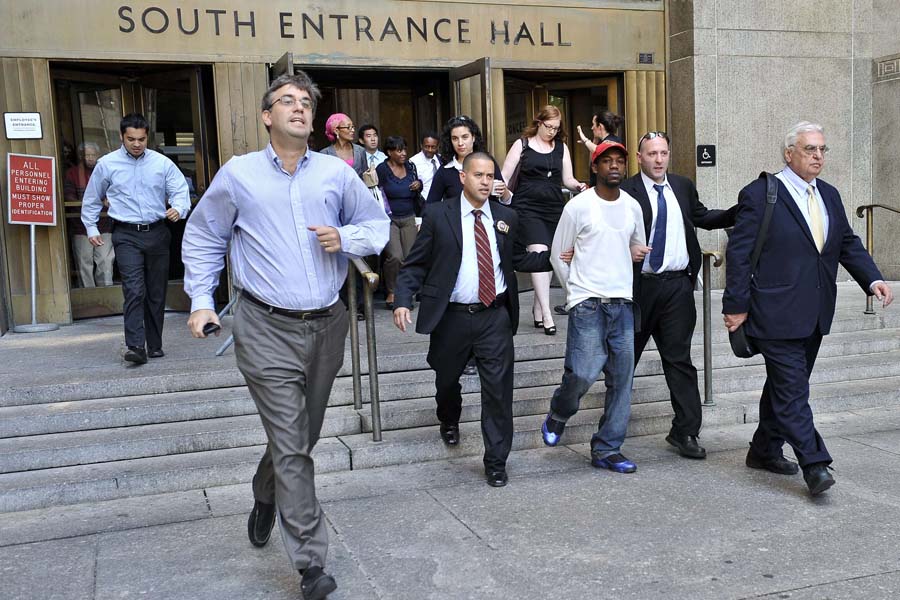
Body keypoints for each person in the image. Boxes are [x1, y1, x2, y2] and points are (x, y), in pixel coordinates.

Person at [182, 71, 389, 599]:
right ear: (267, 116)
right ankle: (311, 565)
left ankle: (264, 489)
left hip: (326, 325)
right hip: (263, 326)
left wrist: (343, 236)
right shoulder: (239, 175)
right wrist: (203, 302)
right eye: (287, 101)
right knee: (294, 445)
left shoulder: (336, 175)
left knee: (302, 437)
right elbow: (205, 236)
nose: (298, 108)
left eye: (305, 102)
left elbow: (377, 226)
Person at [723, 121, 893, 496]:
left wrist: (873, 279)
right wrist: (735, 306)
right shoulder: (761, 193)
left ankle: (764, 450)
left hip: (815, 312)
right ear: (789, 153)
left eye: (822, 150)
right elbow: (739, 255)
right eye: (809, 149)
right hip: (774, 311)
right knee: (793, 391)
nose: (818, 156)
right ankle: (815, 464)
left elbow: (846, 242)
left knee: (785, 389)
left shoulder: (829, 195)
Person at [393, 152, 551, 487]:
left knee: (498, 391)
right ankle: (448, 418)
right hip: (452, 317)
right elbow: (416, 264)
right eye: (478, 175)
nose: (484, 181)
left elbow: (519, 258)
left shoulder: (507, 217)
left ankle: (496, 460)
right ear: (463, 177)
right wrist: (403, 301)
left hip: (493, 316)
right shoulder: (439, 214)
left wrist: (558, 256)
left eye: (489, 176)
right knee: (447, 379)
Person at [615, 131, 736, 459]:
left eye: (663, 153)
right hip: (638, 290)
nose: (658, 159)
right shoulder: (625, 192)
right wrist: (627, 248)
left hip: (677, 289)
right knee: (624, 362)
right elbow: (610, 238)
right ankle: (609, 434)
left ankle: (686, 431)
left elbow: (703, 217)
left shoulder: (682, 186)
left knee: (680, 361)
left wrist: (739, 212)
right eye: (651, 154)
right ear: (639, 158)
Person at [541, 141, 649, 473]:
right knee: (584, 373)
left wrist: (634, 255)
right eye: (607, 161)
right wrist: (576, 293)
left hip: (622, 305)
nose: (614, 165)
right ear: (595, 167)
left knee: (622, 380)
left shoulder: (632, 206)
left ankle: (607, 448)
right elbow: (559, 253)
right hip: (588, 304)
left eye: (619, 161)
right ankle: (559, 412)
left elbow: (637, 247)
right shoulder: (578, 206)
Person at [81, 113, 190, 365]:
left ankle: (154, 345)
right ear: (121, 137)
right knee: (134, 290)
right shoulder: (107, 164)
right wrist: (91, 227)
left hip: (158, 232)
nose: (137, 144)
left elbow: (180, 190)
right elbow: (92, 198)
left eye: (141, 139)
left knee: (155, 291)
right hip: (126, 234)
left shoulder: (162, 164)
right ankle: (135, 346)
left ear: (147, 137)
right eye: (131, 139)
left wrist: (179, 207)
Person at [501, 105, 585, 336]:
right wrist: (499, 194)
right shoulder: (522, 144)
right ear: (539, 122)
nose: (552, 132)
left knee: (549, 257)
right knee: (538, 250)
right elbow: (505, 176)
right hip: (526, 206)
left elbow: (567, 178)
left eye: (556, 129)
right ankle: (547, 314)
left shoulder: (561, 147)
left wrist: (578, 185)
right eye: (549, 127)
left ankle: (538, 308)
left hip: (553, 206)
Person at [376, 136, 423, 309]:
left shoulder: (410, 166)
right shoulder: (382, 169)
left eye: (404, 149)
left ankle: (405, 293)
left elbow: (418, 185)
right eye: (398, 150)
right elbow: (375, 192)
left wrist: (419, 184)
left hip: (409, 216)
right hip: (389, 219)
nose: (403, 153)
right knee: (395, 256)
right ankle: (392, 291)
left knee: (410, 257)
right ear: (389, 152)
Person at [426, 115, 510, 205]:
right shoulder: (445, 171)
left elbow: (506, 202)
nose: (460, 143)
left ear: (473, 138)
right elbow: (430, 207)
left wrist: (504, 193)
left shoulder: (488, 163)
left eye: (465, 137)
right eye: (455, 138)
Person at [66, 142, 115, 288]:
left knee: (105, 261)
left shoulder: (105, 171)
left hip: (104, 225)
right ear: (81, 156)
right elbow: (69, 197)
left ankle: (107, 294)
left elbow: (114, 192)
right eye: (87, 155)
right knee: (84, 262)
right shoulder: (72, 173)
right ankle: (88, 297)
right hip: (80, 227)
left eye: (93, 155)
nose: (90, 158)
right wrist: (91, 202)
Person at [318, 113, 367, 177]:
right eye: (348, 127)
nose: (353, 130)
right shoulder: (325, 154)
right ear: (336, 131)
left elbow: (365, 176)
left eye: (353, 127)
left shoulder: (360, 151)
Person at [408, 132, 441, 200]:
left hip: (441, 202)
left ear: (437, 147)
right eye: (427, 146)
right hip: (423, 203)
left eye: (433, 147)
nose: (430, 150)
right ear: (421, 145)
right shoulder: (413, 162)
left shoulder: (441, 159)